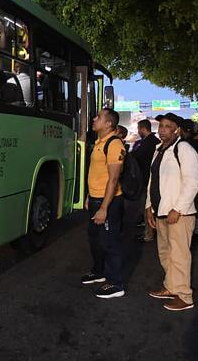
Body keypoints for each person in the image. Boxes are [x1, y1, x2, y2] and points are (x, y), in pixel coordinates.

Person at [145, 112, 198, 311]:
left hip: (179, 213)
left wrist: (178, 208)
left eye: (167, 126)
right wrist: (149, 207)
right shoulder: (159, 149)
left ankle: (185, 296)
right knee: (165, 253)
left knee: (179, 255)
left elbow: (193, 181)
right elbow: (153, 181)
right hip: (161, 211)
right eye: (160, 126)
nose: (162, 129)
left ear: (176, 130)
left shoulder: (183, 148)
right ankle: (171, 287)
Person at [81, 108, 126, 299]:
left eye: (98, 117)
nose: (94, 119)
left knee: (110, 243)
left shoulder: (114, 144)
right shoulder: (100, 142)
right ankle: (99, 271)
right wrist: (90, 197)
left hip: (109, 202)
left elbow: (113, 179)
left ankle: (115, 283)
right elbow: (97, 174)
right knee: (95, 239)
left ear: (109, 124)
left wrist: (104, 208)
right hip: (96, 199)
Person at [131, 119, 161, 243]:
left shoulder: (146, 143)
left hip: (146, 178)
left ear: (143, 129)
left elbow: (136, 156)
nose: (138, 132)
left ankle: (148, 234)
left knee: (147, 206)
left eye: (139, 129)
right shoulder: (156, 141)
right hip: (154, 178)